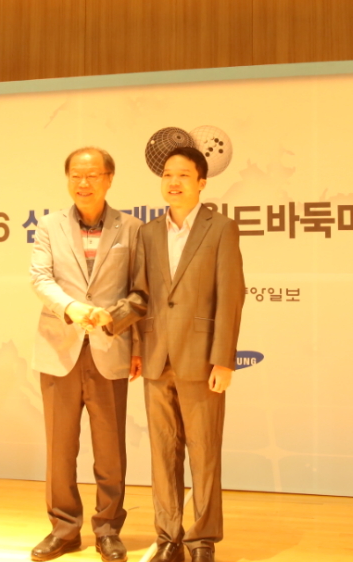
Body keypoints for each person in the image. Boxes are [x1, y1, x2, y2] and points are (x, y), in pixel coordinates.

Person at [101, 146, 245, 562]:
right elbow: (141, 295)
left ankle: (202, 540)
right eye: (167, 174)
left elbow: (230, 295)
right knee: (162, 453)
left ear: (202, 182)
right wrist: (115, 326)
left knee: (204, 453)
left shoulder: (221, 229)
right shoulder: (148, 233)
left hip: (201, 359)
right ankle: (168, 537)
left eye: (183, 175)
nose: (173, 182)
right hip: (156, 357)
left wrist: (224, 358)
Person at [29, 147, 142, 562]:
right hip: (60, 349)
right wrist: (73, 308)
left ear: (109, 179)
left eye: (93, 175)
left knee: (110, 450)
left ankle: (108, 529)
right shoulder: (48, 225)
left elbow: (139, 291)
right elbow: (40, 278)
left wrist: (136, 345)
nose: (83, 183)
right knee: (60, 448)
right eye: (76, 175)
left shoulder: (132, 228)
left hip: (111, 348)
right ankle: (64, 528)